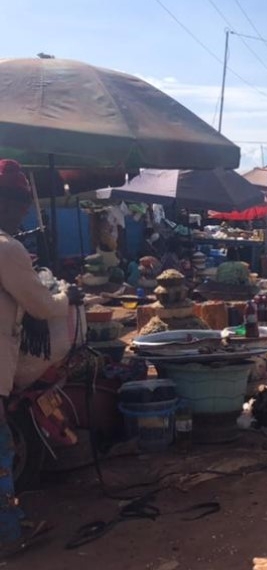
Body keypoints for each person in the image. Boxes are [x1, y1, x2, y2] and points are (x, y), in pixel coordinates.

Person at [0, 159, 77, 555]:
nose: (26, 214)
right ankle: (7, 537)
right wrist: (66, 295)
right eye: (21, 205)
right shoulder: (7, 248)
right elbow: (42, 306)